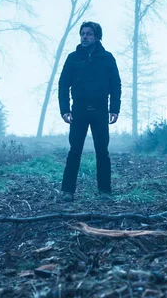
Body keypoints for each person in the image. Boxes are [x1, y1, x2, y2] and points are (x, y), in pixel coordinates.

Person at [58, 21, 121, 202]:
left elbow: (116, 84)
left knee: (102, 151)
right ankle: (67, 192)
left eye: (89, 34)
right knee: (74, 150)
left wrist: (114, 109)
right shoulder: (73, 58)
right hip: (78, 110)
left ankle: (105, 192)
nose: (84, 37)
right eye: (83, 33)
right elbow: (63, 84)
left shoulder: (107, 58)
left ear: (97, 37)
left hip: (100, 110)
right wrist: (64, 109)